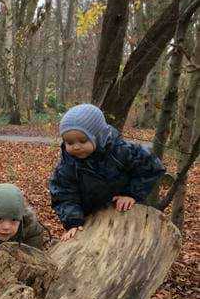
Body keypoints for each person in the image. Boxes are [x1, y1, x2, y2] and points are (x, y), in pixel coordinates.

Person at [49, 104, 165, 242]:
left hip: (125, 213)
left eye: (83, 140)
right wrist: (73, 221)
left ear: (99, 136)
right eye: (69, 142)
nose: (76, 146)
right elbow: (63, 194)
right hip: (90, 220)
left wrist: (131, 194)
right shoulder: (67, 166)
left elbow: (151, 166)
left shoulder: (120, 151)